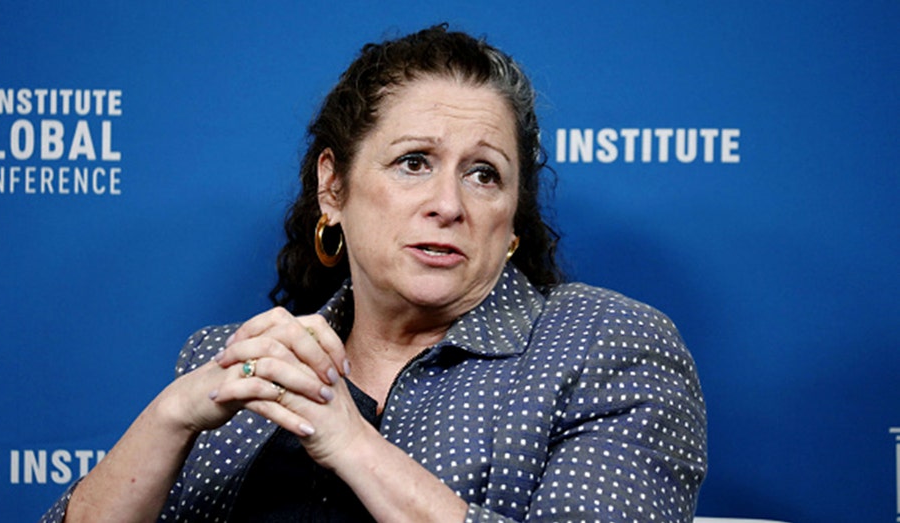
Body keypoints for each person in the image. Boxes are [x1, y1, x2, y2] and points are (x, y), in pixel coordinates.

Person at [41, 24, 706, 523]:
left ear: (511, 220)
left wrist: (352, 443)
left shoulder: (605, 344)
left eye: (483, 174)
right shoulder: (238, 363)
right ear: (334, 187)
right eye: (414, 161)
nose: (448, 204)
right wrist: (170, 415)